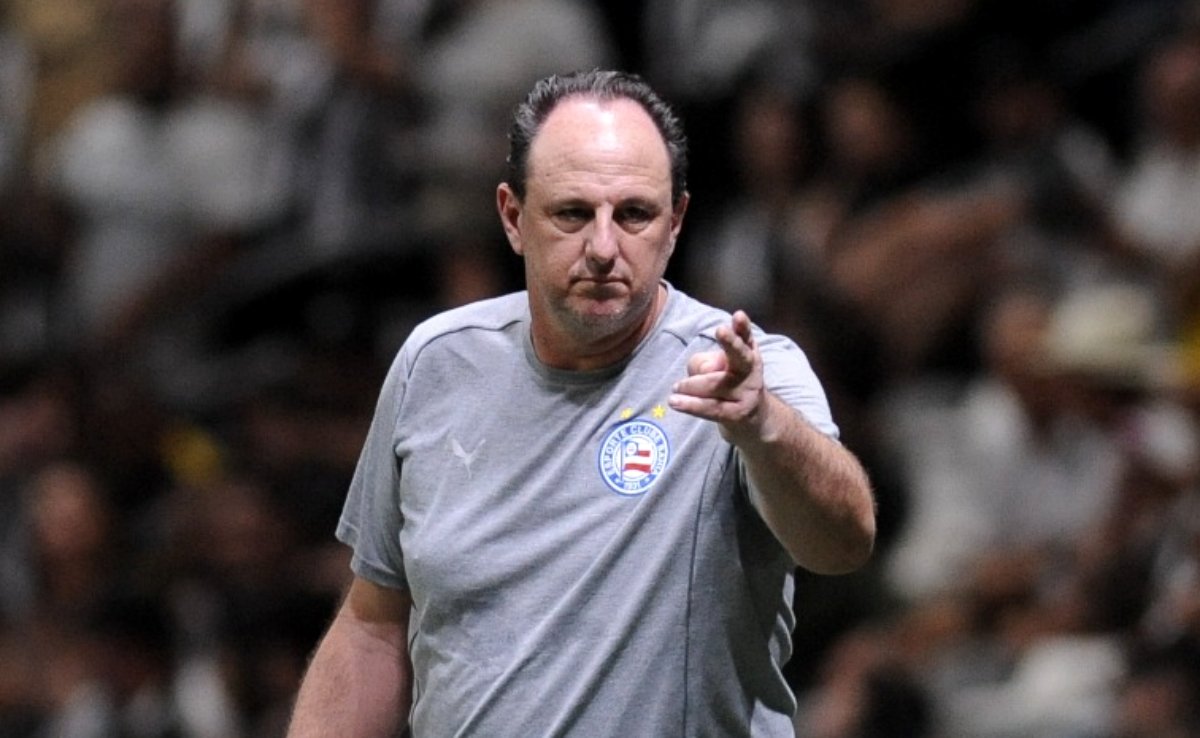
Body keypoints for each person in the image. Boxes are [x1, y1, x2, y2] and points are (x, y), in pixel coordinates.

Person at [285, 69, 876, 737]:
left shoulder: (743, 373)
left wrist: (764, 426)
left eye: (634, 214)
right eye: (572, 213)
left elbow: (843, 542)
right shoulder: (436, 363)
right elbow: (373, 623)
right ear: (513, 217)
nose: (603, 248)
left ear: (675, 222)